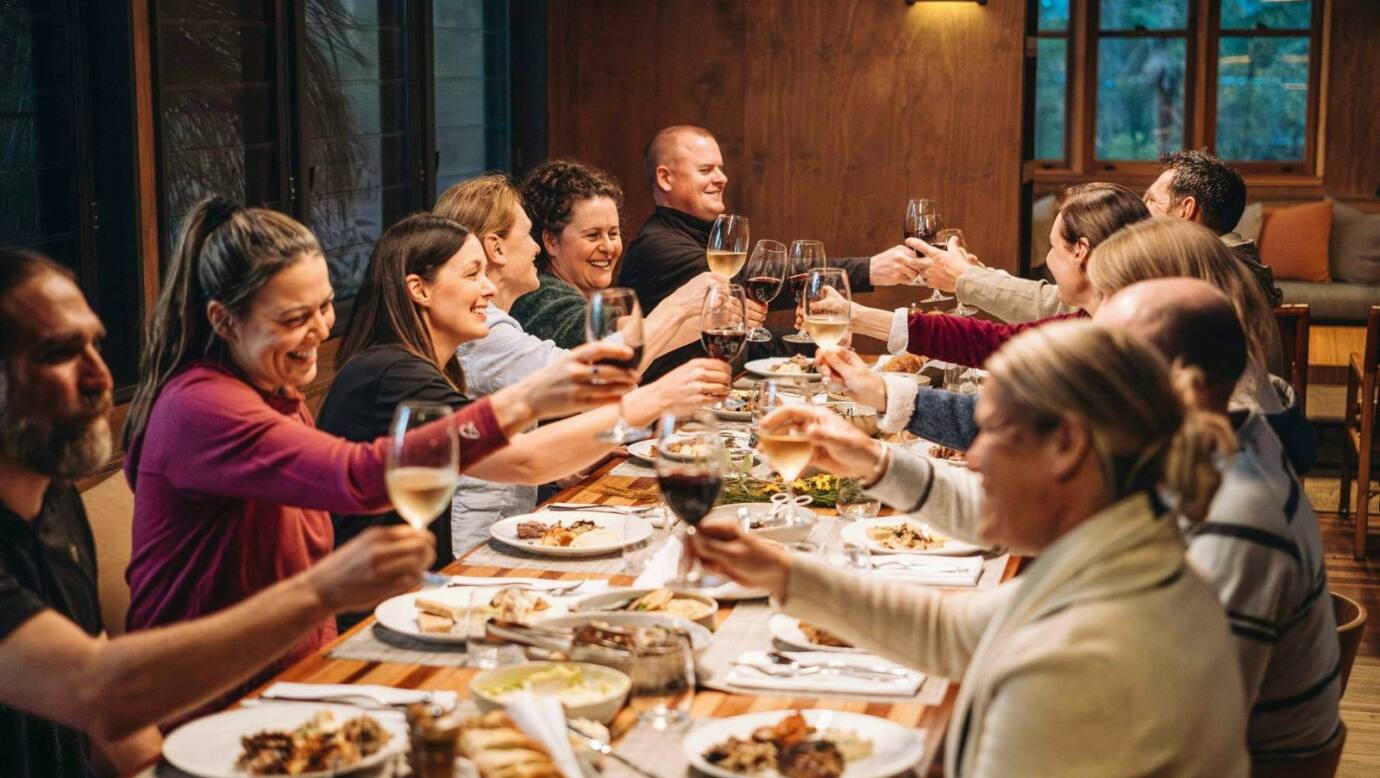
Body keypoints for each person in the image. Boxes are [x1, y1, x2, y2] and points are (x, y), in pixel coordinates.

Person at [121, 197, 624, 715]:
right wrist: (528, 400)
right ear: (223, 321)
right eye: (295, 316)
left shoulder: (274, 391)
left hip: (302, 671)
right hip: (216, 699)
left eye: (324, 307)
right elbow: (359, 475)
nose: (318, 330)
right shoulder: (203, 405)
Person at [693, 321, 1250, 777]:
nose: (973, 457)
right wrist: (781, 571)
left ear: (1066, 445)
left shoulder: (1081, 658)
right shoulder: (1130, 556)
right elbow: (950, 632)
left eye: (991, 431)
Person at [820, 280, 1336, 764]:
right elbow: (964, 612)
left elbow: (1162, 723)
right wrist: (873, 469)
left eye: (1100, 350)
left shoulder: (1232, 514)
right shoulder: (1176, 473)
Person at [0, 250, 434, 778]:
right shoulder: (198, 406)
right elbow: (99, 690)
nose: (100, 378)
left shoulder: (53, 497)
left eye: (95, 344)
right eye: (58, 354)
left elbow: (110, 723)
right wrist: (324, 589)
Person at [318, 213, 729, 569]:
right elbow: (523, 461)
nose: (490, 289)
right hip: (376, 604)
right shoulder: (392, 374)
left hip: (414, 583)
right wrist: (654, 399)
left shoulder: (422, 367)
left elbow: (523, 449)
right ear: (419, 289)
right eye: (471, 275)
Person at [823, 217, 1310, 472]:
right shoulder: (1235, 416)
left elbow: (1028, 435)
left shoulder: (1219, 476)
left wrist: (887, 400)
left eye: (1110, 300)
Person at [433, 175, 733, 551]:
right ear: (495, 247)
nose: (536, 249)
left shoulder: (495, 321)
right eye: (528, 235)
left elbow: (506, 422)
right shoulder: (484, 331)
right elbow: (595, 377)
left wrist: (704, 317)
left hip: (514, 519)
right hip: (478, 540)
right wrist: (679, 308)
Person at [619, 125, 924, 380]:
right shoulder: (658, 246)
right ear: (665, 178)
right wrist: (869, 270)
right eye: (705, 169)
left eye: (721, 168)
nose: (722, 178)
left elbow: (743, 339)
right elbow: (754, 281)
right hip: (659, 421)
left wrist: (815, 343)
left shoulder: (701, 235)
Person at [918, 150, 1280, 322]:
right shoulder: (1225, 264)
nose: (1139, 210)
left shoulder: (1197, 278)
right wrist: (978, 279)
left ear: (1185, 211)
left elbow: (1070, 306)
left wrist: (967, 279)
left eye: (1152, 200)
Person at [848, 182, 1150, 367]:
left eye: (1053, 247)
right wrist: (855, 315)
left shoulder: (1109, 344)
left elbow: (989, 345)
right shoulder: (1093, 319)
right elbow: (986, 340)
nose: (1047, 258)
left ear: (1080, 251)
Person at [508, 158, 763, 356]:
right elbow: (622, 348)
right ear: (551, 241)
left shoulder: (573, 290)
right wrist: (682, 304)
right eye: (593, 235)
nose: (608, 247)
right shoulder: (541, 295)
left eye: (613, 233)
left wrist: (715, 319)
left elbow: (647, 339)